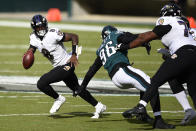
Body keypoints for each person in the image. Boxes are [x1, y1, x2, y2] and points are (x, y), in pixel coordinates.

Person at [76, 25, 174, 128]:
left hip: (116, 78)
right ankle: (157, 120)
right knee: (152, 86)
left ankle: (143, 115)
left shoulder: (101, 49)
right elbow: (129, 38)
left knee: (145, 84)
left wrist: (82, 87)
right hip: (123, 70)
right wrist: (143, 42)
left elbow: (92, 70)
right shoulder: (115, 35)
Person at [117, 3, 196, 127]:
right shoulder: (184, 24)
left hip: (183, 53)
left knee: (155, 81)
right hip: (193, 55)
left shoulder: (167, 21)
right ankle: (189, 110)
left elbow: (146, 37)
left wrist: (126, 46)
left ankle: (141, 106)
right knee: (188, 88)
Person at [24, 14, 106, 119]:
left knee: (41, 83)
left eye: (42, 26)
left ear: (46, 25)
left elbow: (74, 36)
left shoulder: (53, 34)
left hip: (68, 63)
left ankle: (59, 98)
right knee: (77, 89)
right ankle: (99, 106)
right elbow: (32, 48)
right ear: (34, 28)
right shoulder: (33, 37)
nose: (41, 29)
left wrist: (74, 54)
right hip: (59, 67)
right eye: (38, 27)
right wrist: (28, 53)